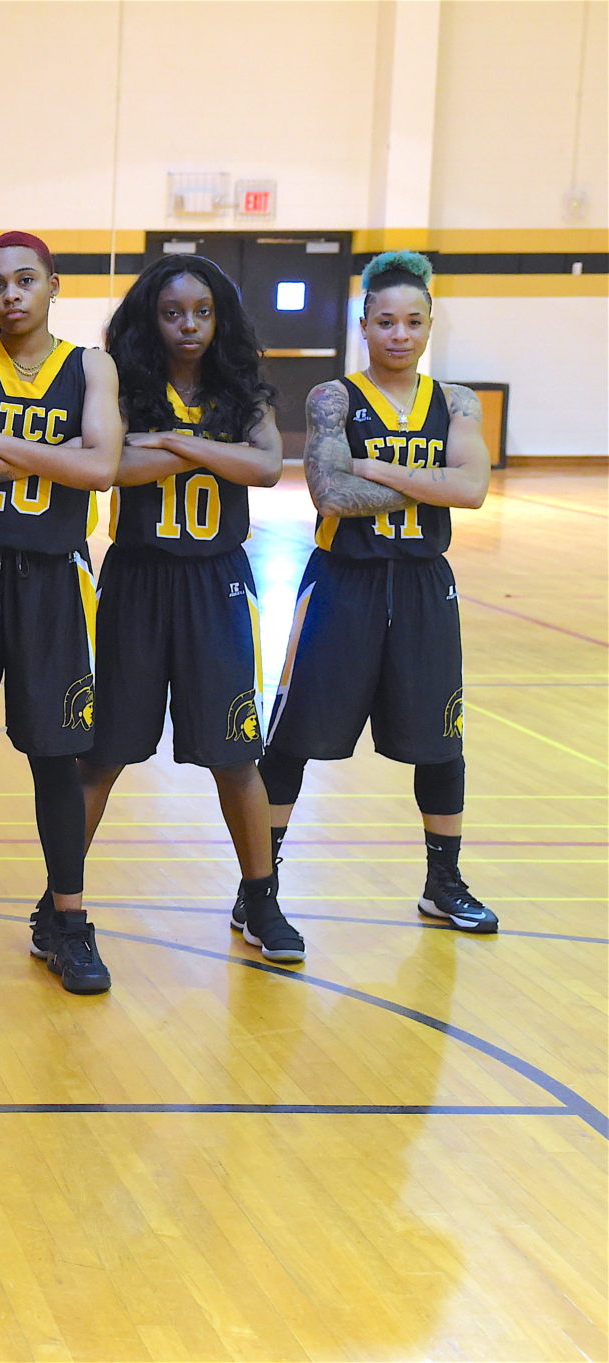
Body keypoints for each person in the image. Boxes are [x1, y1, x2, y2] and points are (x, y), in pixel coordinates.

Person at [262, 250, 496, 932]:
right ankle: (260, 885)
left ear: (429, 327)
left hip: (424, 585)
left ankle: (443, 883)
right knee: (294, 737)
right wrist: (430, 481)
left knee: (441, 739)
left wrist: (375, 465)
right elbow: (331, 495)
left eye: (413, 321)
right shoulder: (333, 397)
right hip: (344, 582)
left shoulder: (456, 402)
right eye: (386, 321)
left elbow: (472, 490)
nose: (399, 333)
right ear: (363, 325)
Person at [85, 254, 301, 962]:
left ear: (220, 318)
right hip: (138, 581)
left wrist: (175, 442)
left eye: (202, 312)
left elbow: (266, 467)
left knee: (236, 754)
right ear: (150, 319)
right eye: (173, 312)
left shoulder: (241, 390)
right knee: (104, 754)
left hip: (218, 584)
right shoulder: (123, 387)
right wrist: (216, 452)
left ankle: (260, 899)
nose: (188, 325)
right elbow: (114, 468)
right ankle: (61, 902)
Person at [0, 232, 123, 994]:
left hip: (55, 579)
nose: (11, 294)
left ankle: (67, 922)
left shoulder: (91, 366)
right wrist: (54, 453)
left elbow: (102, 467)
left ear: (54, 284)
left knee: (59, 756)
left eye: (25, 280)